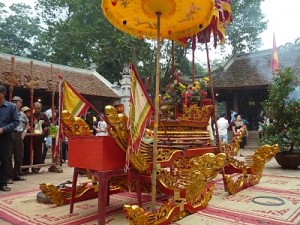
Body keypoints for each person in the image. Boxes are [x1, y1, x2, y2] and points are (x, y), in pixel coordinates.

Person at [0, 84, 19, 191]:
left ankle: (3, 183)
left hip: (5, 137)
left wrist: (3, 129)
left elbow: (16, 122)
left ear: (3, 94)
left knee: (4, 160)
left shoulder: (11, 107)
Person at [8, 96, 29, 182]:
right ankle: (9, 176)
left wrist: (25, 131)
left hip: (19, 135)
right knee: (8, 156)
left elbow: (27, 123)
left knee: (19, 156)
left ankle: (16, 175)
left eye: (16, 102)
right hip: (9, 134)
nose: (14, 103)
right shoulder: (8, 112)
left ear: (21, 104)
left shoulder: (22, 114)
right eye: (13, 102)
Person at [32, 102, 50, 173]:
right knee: (27, 152)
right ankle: (25, 169)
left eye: (39, 108)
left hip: (39, 137)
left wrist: (43, 123)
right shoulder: (31, 114)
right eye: (36, 108)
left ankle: (36, 168)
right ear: (33, 108)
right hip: (30, 136)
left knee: (38, 153)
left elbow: (48, 124)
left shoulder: (44, 115)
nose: (37, 110)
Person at [21, 106, 31, 175]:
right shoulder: (21, 117)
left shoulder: (30, 118)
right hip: (22, 137)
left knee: (27, 153)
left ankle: (26, 168)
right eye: (26, 111)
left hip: (28, 139)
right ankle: (22, 168)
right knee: (22, 153)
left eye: (28, 111)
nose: (28, 113)